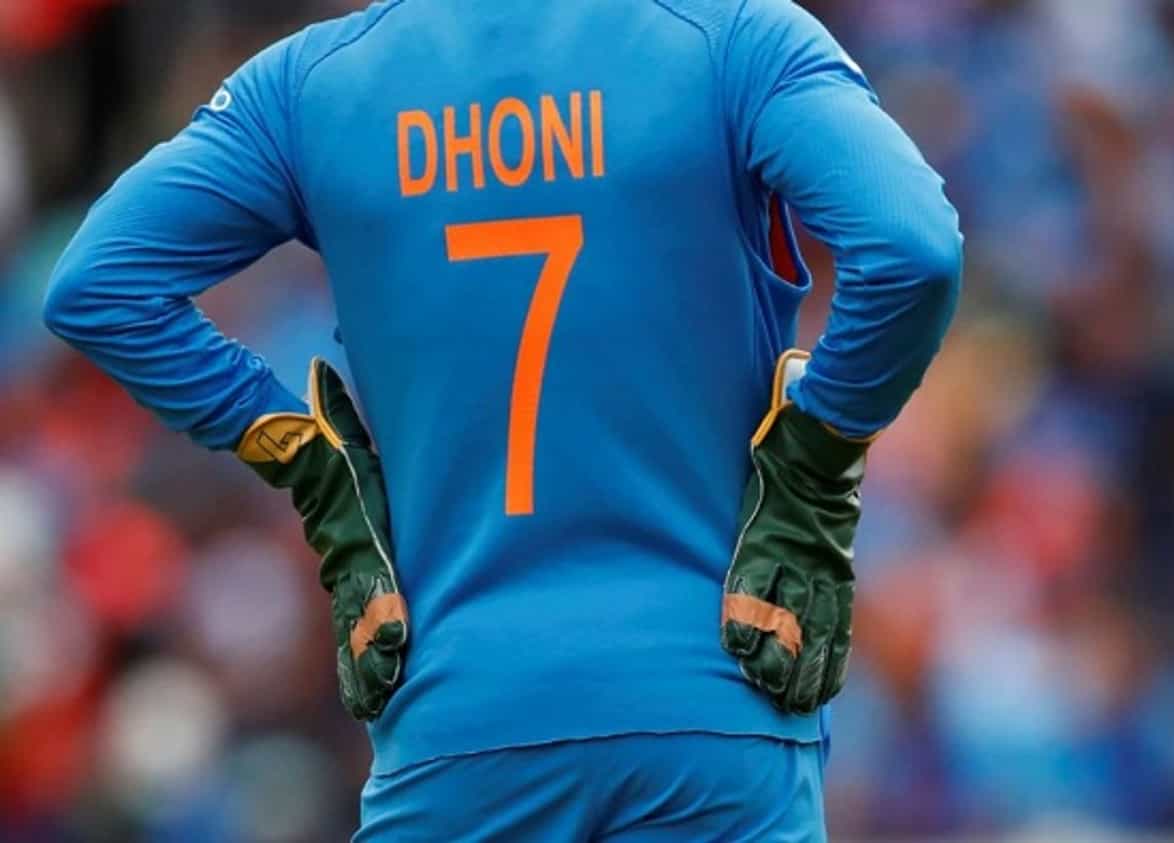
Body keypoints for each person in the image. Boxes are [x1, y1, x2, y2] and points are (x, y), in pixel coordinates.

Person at [43, 0, 962, 839]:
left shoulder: (310, 85)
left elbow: (100, 284)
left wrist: (313, 468)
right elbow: (911, 245)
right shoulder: (734, 39)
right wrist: (812, 468)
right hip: (713, 706)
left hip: (455, 725)